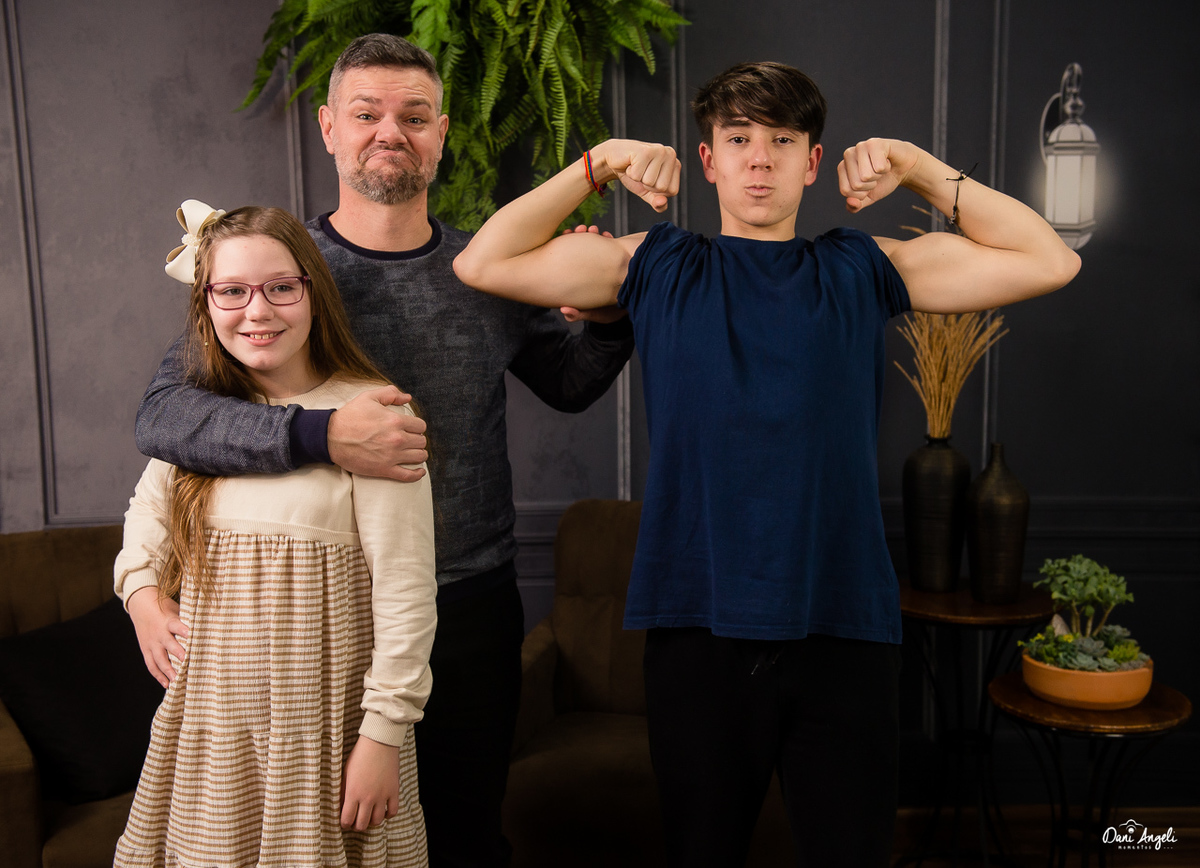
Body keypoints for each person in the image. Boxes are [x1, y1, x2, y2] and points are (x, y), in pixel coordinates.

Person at [452, 61, 1081, 866]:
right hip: (697, 629)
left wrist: (918, 166)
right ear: (708, 159)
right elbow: (484, 263)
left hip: (842, 629)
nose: (759, 158)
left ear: (812, 163)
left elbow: (1049, 259)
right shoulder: (656, 264)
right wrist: (600, 162)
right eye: (739, 138)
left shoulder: (860, 268)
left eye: (782, 141)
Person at [132, 34, 634, 868]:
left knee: (465, 837)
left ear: (441, 135)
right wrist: (322, 435)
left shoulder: (488, 269)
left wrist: (610, 314)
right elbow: (165, 416)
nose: (389, 132)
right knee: (332, 844)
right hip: (316, 617)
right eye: (366, 114)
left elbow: (571, 383)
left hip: (467, 608)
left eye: (413, 116)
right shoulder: (281, 273)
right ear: (330, 128)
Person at [114, 203, 437, 867]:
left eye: (281, 287)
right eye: (232, 291)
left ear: (313, 291)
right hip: (214, 730)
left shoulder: (372, 413)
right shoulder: (203, 418)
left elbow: (406, 592)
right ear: (206, 303)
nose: (257, 312)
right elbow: (147, 514)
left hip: (326, 732)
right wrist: (141, 594)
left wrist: (383, 734)